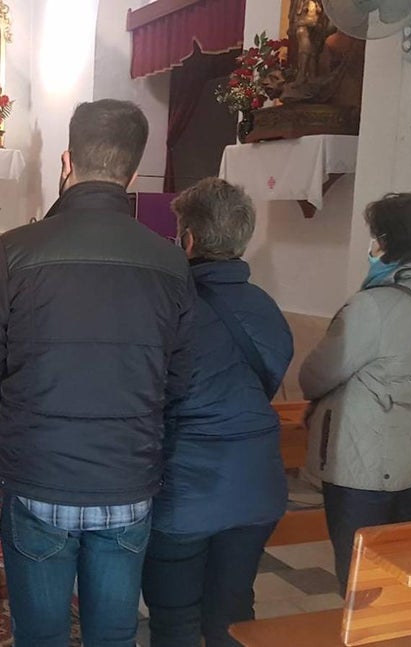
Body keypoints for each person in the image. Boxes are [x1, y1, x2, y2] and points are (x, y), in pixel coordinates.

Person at [0, 99, 195, 647]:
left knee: (41, 635)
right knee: (113, 635)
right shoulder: (170, 262)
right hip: (126, 478)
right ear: (133, 174)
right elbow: (181, 378)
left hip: (41, 474)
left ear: (66, 162)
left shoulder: (17, 250)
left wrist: (26, 412)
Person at [141, 178, 293, 647]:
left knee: (175, 617)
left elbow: (153, 393)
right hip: (257, 485)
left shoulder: (170, 305)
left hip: (187, 486)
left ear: (187, 239)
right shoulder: (266, 307)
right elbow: (267, 380)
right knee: (232, 612)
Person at [299, 192, 411, 595]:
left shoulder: (373, 306)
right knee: (400, 571)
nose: (372, 246)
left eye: (377, 237)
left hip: (364, 465)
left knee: (361, 580)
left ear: (392, 242)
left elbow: (315, 376)